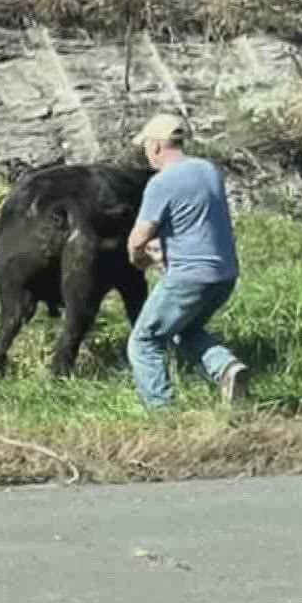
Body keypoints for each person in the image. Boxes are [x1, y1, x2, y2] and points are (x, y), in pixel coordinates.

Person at [124, 113, 250, 408]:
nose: (147, 154)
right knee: (184, 330)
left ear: (156, 146)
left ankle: (162, 412)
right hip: (224, 274)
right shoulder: (208, 170)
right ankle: (227, 369)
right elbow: (193, 221)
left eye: (146, 147)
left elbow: (137, 238)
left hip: (189, 277)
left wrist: (138, 258)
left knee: (144, 341)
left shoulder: (161, 182)